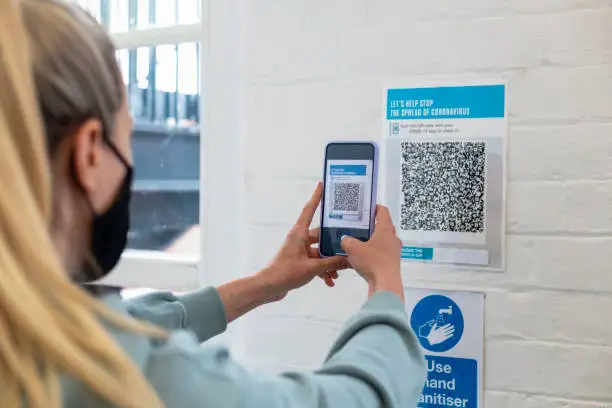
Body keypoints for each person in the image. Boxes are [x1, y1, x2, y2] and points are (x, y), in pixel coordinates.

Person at [0, 0, 426, 407]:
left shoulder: (25, 339)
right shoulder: (128, 380)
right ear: (90, 152)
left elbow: (124, 326)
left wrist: (267, 282)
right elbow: (355, 401)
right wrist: (386, 283)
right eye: (127, 140)